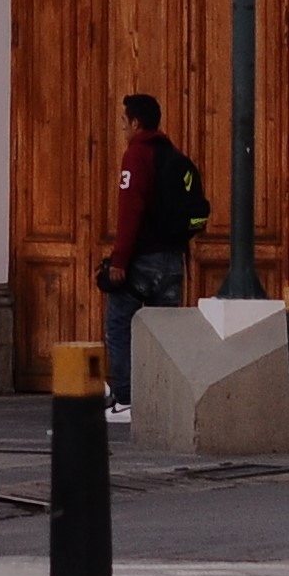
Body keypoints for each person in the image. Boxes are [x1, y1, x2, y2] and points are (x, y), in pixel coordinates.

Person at [92, 93, 202, 425]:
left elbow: (130, 211)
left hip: (141, 261)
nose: (123, 129)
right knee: (163, 333)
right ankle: (160, 399)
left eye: (125, 123)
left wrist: (119, 260)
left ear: (137, 123)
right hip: (172, 261)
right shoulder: (173, 155)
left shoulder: (136, 155)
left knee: (119, 325)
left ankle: (125, 399)